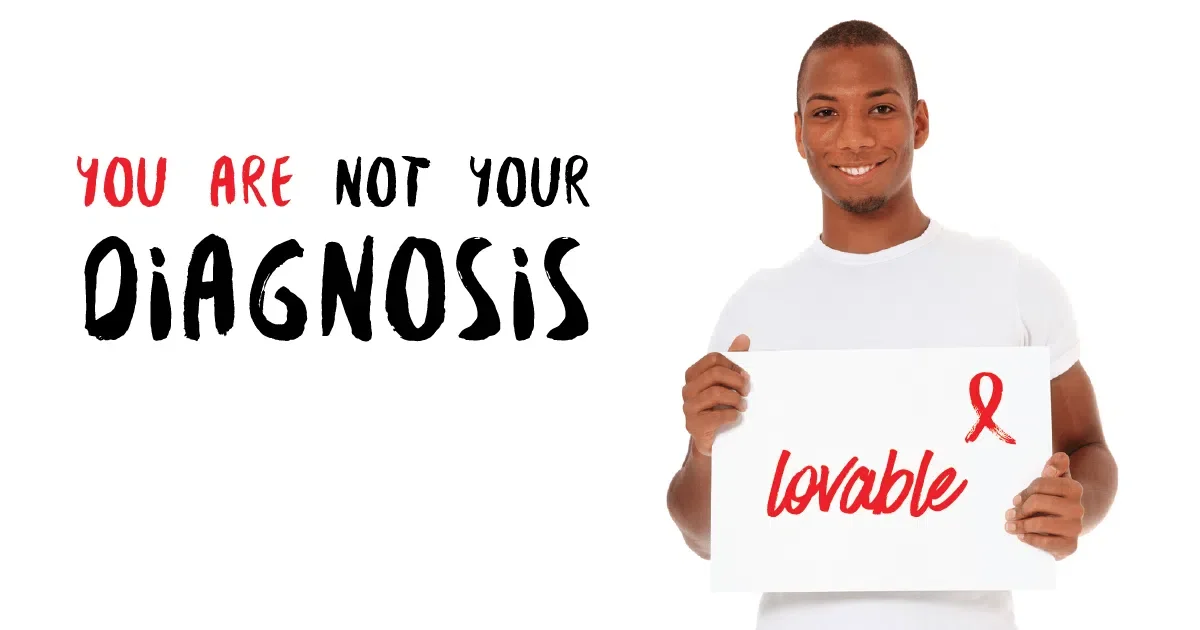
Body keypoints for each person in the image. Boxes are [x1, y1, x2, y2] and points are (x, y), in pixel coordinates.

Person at [665, 19, 1118, 630]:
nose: (854, 138)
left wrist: (1076, 509)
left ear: (919, 122)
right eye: (825, 114)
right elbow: (707, 538)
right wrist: (702, 446)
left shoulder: (1011, 282)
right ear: (799, 134)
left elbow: (1088, 448)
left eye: (880, 107)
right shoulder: (755, 309)